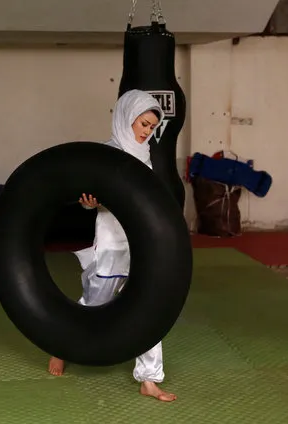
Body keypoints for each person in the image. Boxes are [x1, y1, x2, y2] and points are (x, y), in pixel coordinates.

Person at [47, 89, 177, 403]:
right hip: (112, 242)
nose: (146, 132)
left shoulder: (145, 158)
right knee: (94, 302)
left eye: (151, 127)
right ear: (126, 118)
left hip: (144, 246)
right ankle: (61, 347)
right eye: (143, 124)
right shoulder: (106, 154)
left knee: (151, 305)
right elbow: (91, 197)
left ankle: (149, 379)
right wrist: (91, 203)